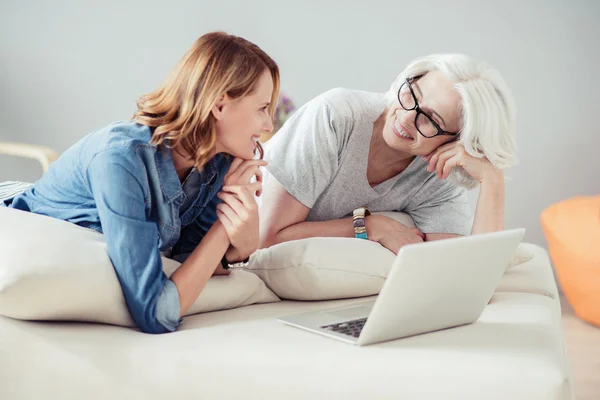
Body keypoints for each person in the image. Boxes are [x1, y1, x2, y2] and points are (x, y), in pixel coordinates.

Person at [2, 32, 280, 334]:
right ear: (219, 104)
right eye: (262, 108)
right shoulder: (121, 159)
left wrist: (241, 247)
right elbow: (155, 313)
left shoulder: (216, 164)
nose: (269, 125)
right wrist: (224, 229)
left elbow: (190, 262)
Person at [259, 54, 517, 254]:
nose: (405, 116)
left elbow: (468, 274)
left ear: (457, 140)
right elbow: (267, 238)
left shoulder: (435, 174)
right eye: (412, 93)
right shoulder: (336, 116)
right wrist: (369, 226)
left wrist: (491, 179)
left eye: (429, 119)